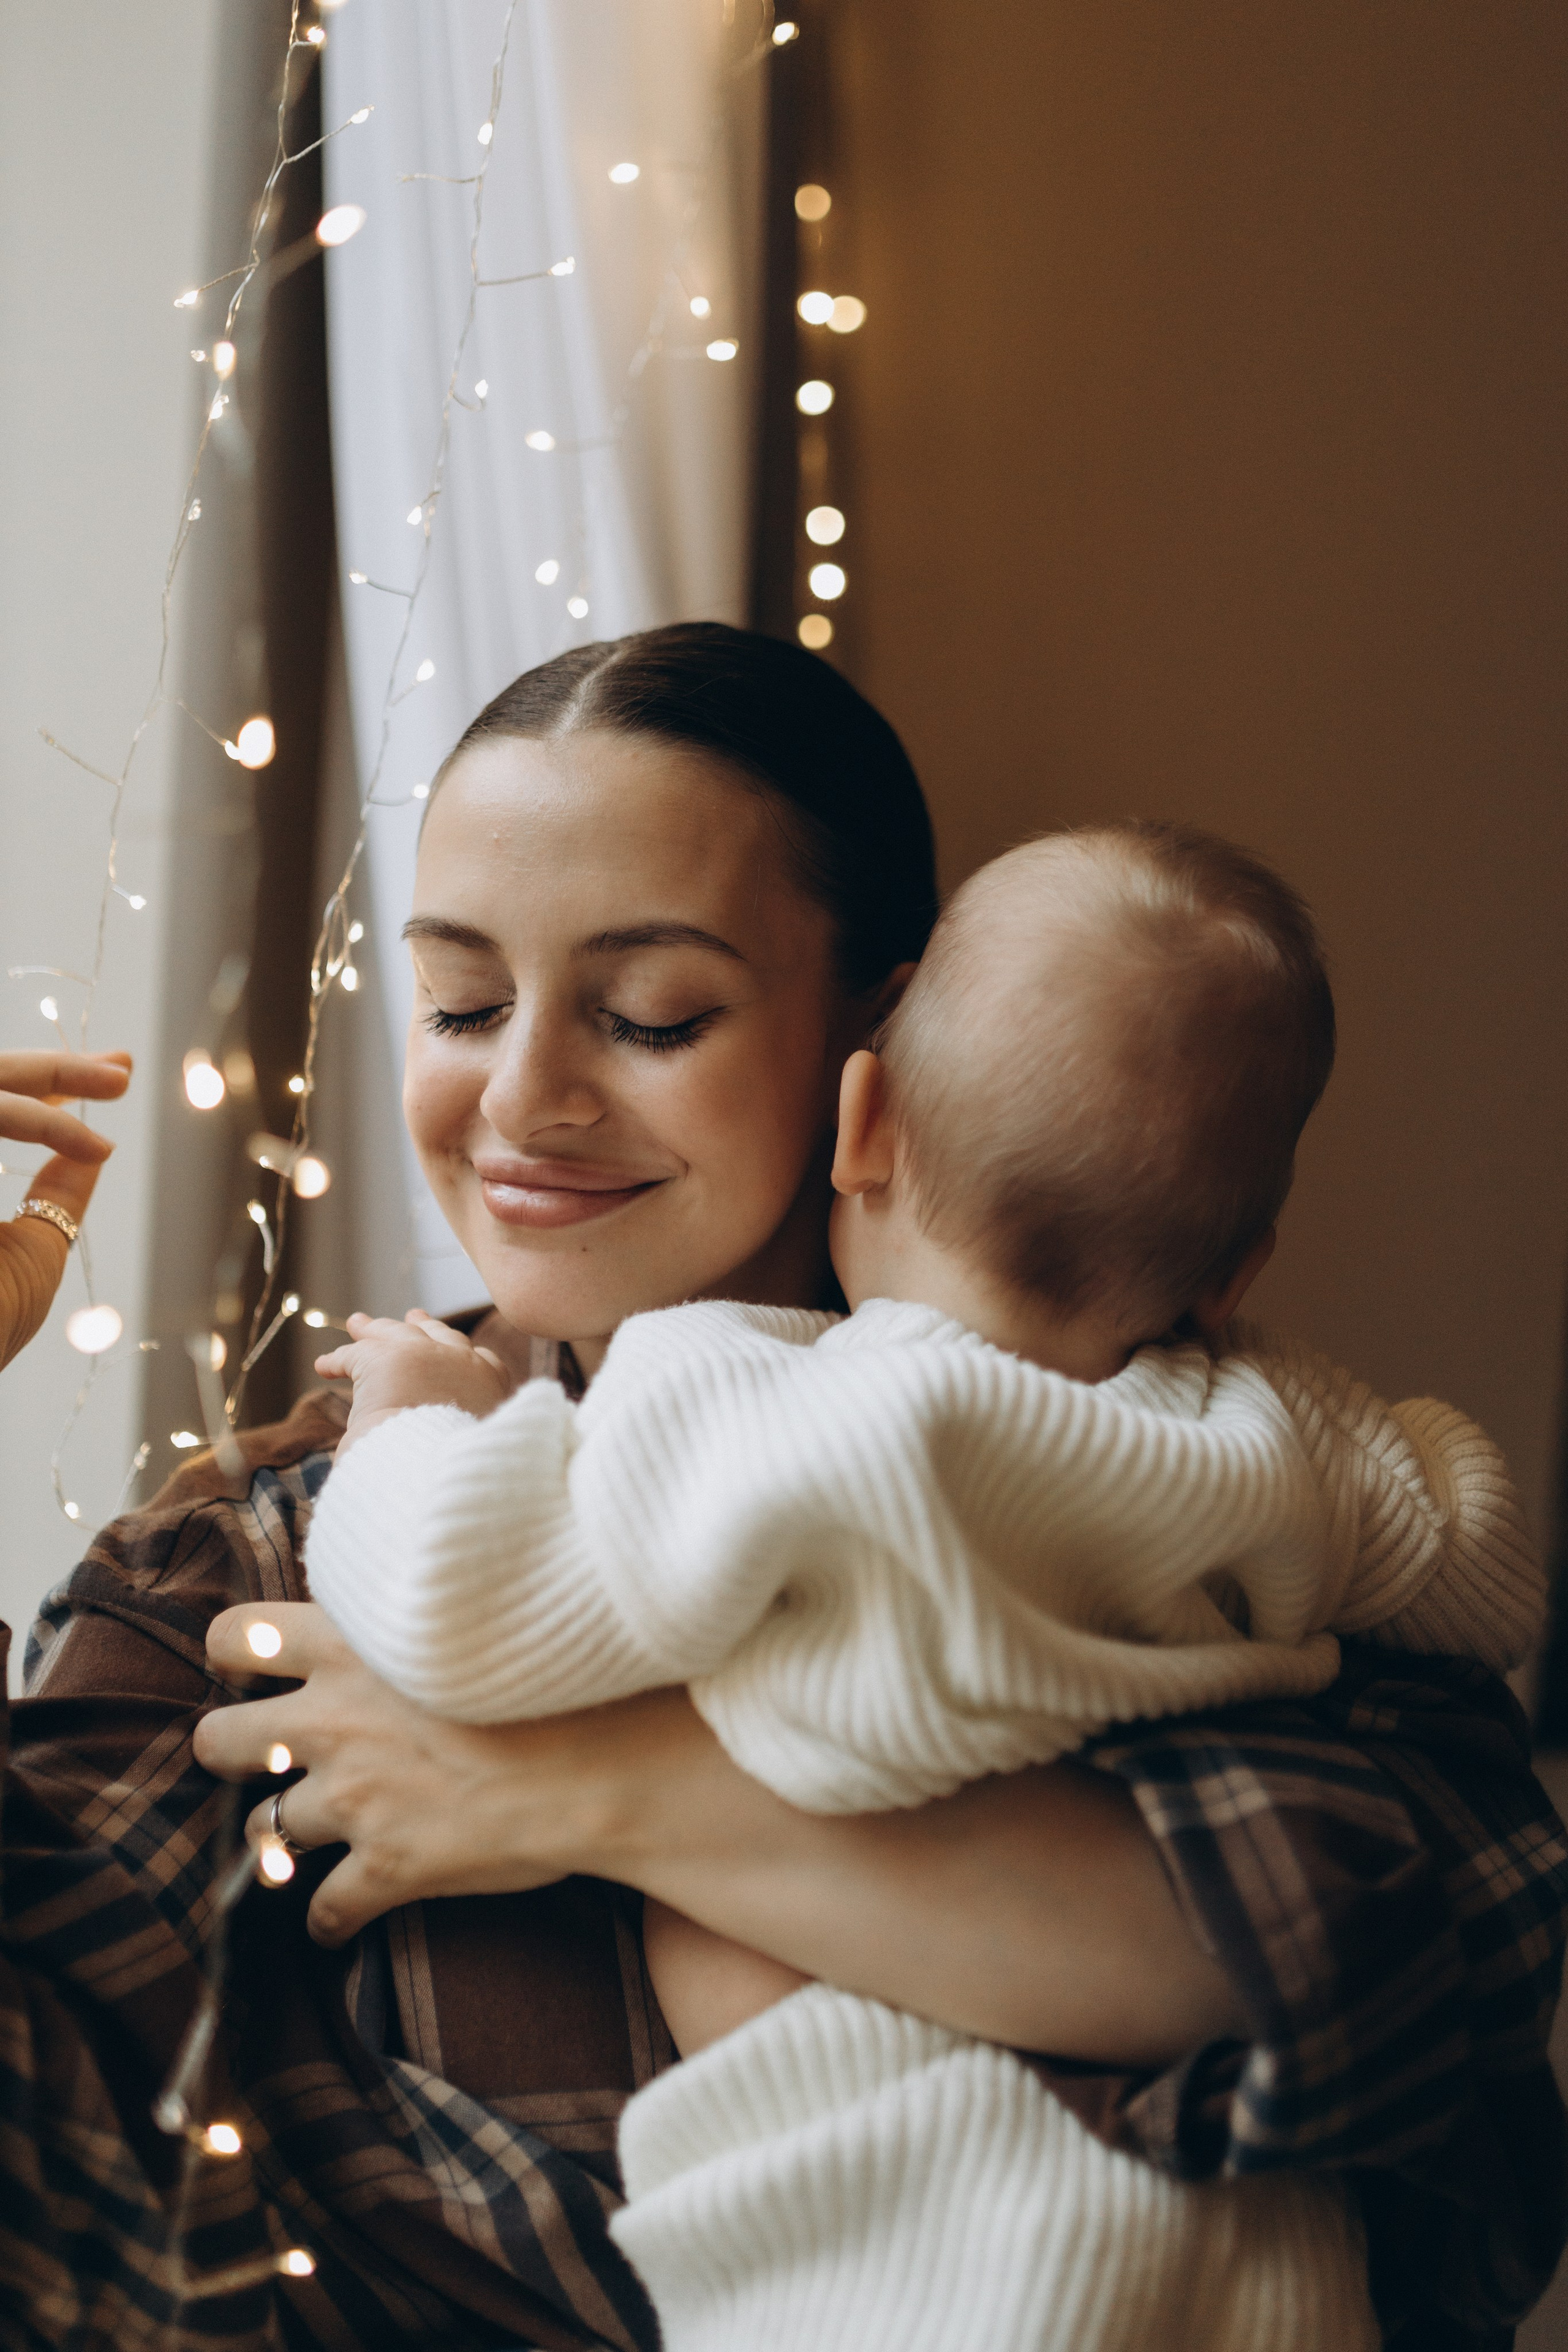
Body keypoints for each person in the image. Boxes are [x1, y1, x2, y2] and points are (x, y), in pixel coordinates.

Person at [7, 628, 1566, 2351]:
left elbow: (1412, 1997)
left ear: (875, 1048)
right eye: (460, 1001)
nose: (521, 1098)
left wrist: (587, 1782)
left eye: (651, 1014)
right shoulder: (231, 1571)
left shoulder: (1163, 1480)